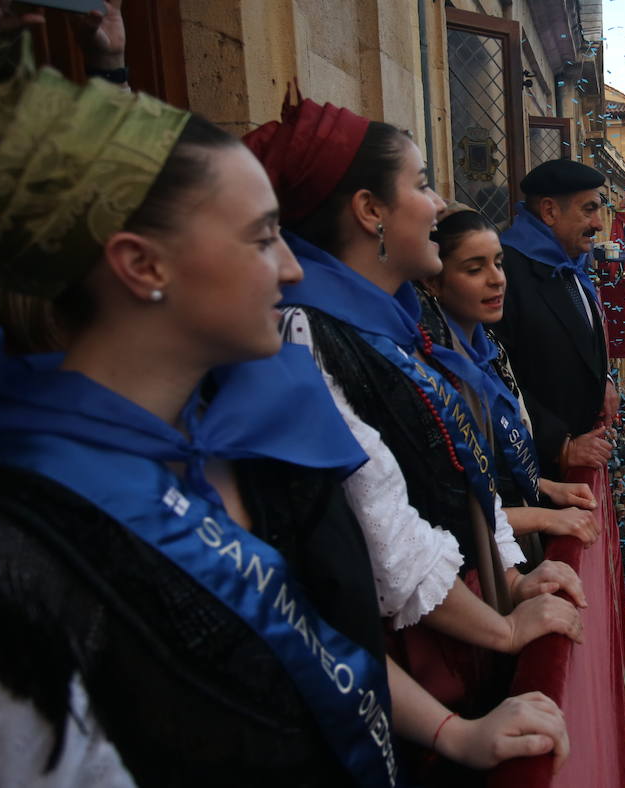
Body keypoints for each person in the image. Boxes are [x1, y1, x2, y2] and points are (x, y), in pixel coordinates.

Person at [0, 38, 565, 785]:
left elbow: (321, 636)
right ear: (141, 266)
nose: (290, 268)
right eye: (260, 238)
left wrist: (453, 733)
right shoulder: (4, 553)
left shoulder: (216, 417)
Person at [243, 96, 583, 775]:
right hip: (410, 676)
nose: (437, 205)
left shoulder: (388, 326)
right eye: (422, 184)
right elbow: (388, 539)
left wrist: (513, 581)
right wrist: (506, 626)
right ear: (370, 212)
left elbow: (464, 481)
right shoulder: (312, 333)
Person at [421, 207, 600, 556]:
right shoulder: (434, 375)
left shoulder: (490, 348)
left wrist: (543, 486)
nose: (497, 279)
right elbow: (446, 512)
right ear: (433, 281)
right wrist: (543, 519)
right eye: (475, 269)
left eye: (498, 263)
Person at [493, 159, 616, 479]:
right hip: (542, 471)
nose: (599, 224)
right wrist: (559, 446)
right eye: (588, 210)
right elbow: (493, 373)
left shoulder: (570, 262)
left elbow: (582, 337)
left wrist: (605, 378)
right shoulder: (504, 274)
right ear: (549, 211)